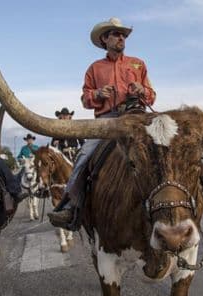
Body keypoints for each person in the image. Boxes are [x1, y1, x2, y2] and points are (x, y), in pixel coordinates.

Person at [48, 17, 156, 229]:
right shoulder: (95, 68)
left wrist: (142, 91)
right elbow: (85, 99)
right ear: (104, 39)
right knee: (84, 154)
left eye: (123, 34)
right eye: (116, 34)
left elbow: (152, 95)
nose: (121, 38)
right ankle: (72, 206)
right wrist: (97, 93)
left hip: (137, 116)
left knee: (170, 138)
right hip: (108, 120)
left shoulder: (138, 64)